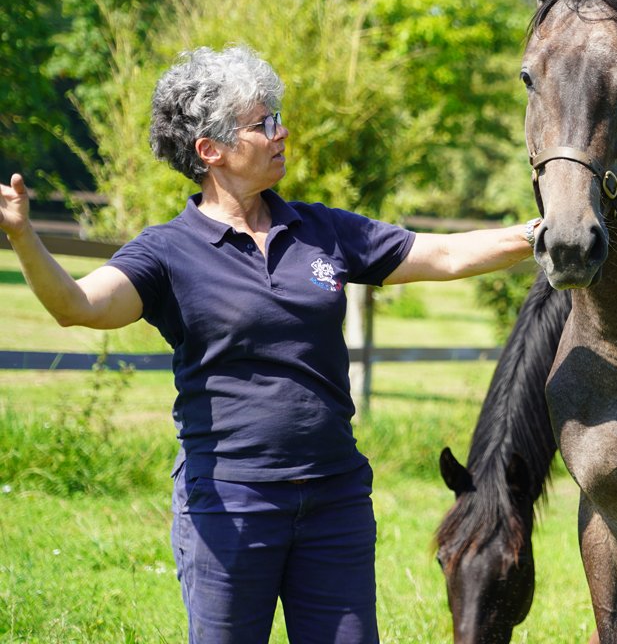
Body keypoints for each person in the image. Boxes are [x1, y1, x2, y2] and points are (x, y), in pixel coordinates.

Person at [0, 44, 541, 643]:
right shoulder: (167, 252)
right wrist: (24, 237)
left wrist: (544, 232)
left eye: (277, 118)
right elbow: (77, 306)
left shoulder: (320, 229)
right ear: (210, 150)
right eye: (264, 124)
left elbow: (442, 253)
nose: (282, 133)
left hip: (335, 498)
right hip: (230, 503)